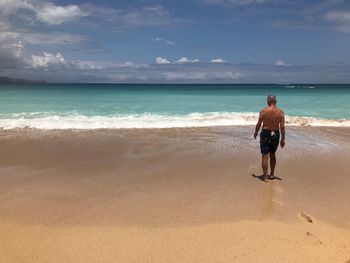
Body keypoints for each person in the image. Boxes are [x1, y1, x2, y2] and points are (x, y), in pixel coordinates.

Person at [254, 95, 285, 182]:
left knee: (264, 155)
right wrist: (283, 139)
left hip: (265, 133)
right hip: (275, 134)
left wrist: (256, 132)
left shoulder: (263, 111)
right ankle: (272, 174)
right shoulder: (281, 112)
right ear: (275, 101)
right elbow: (282, 127)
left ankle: (265, 177)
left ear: (268, 102)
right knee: (272, 155)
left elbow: (259, 124)